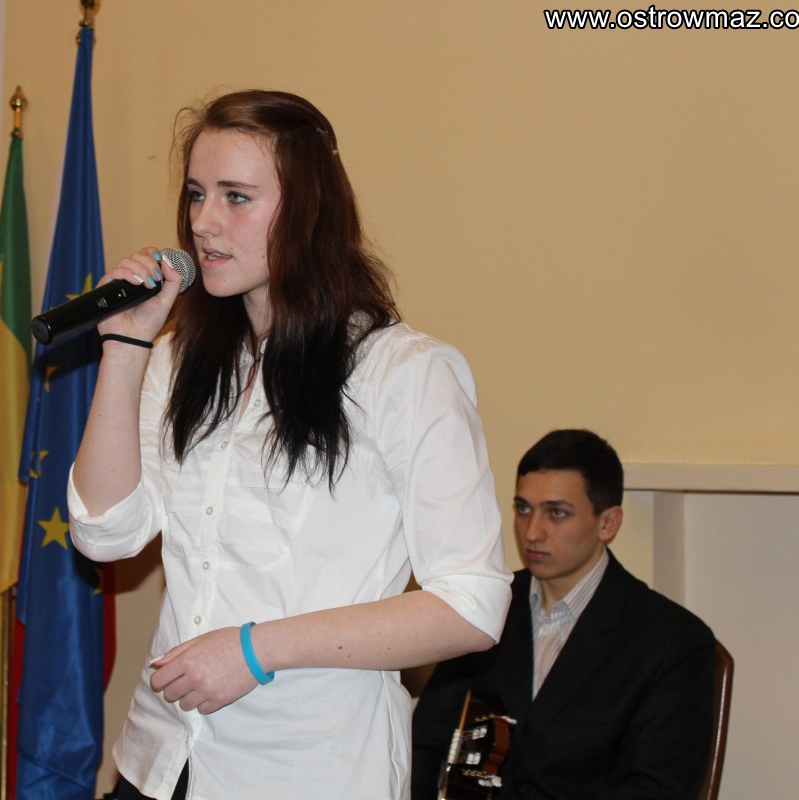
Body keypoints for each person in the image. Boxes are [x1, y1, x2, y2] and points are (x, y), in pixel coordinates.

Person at [67, 89, 512, 800]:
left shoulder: (403, 371)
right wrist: (125, 347)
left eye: (236, 197)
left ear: (309, 211)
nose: (203, 222)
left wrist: (255, 649)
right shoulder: (179, 359)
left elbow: (472, 604)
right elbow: (104, 534)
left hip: (308, 768)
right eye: (196, 194)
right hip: (161, 760)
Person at [411, 428, 717, 799]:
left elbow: (656, 789)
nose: (532, 532)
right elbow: (426, 748)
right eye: (523, 509)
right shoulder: (484, 607)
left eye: (557, 513)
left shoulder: (672, 642)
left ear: (608, 523)